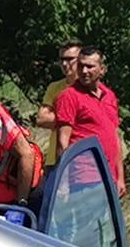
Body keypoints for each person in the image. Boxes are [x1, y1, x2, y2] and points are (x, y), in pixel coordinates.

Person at [53, 46, 124, 187]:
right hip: (84, 177)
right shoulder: (69, 96)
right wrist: (63, 182)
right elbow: (62, 142)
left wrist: (120, 177)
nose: (84, 71)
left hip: (109, 176)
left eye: (90, 67)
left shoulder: (109, 95)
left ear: (102, 70)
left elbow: (115, 137)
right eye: (80, 66)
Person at [33, 40, 82, 152]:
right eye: (62, 59)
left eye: (70, 59)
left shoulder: (90, 90)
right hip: (54, 157)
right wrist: (74, 117)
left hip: (80, 156)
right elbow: (42, 119)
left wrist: (57, 117)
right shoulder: (54, 87)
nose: (64, 64)